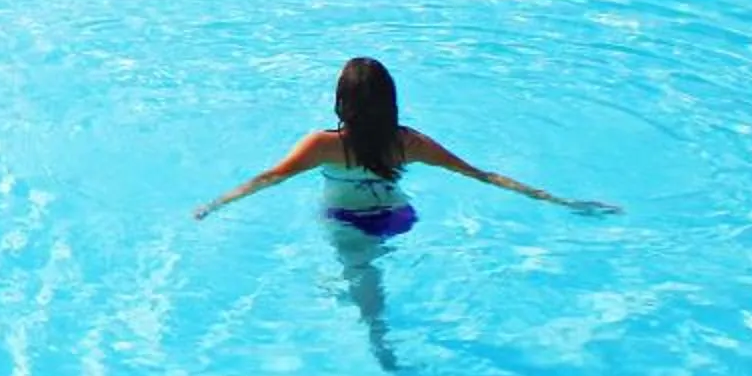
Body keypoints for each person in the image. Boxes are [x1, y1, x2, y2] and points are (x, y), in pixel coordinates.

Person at [193, 56, 620, 235]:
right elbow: (481, 175)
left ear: (341, 102)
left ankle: (381, 345)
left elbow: (268, 179)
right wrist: (561, 201)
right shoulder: (409, 142)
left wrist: (214, 205)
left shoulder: (322, 146)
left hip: (347, 219)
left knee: (367, 301)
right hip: (400, 216)